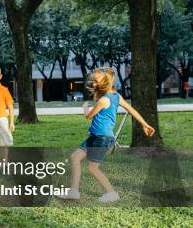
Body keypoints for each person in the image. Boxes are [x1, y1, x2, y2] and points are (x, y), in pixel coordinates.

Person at [56, 67, 156, 203]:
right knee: (75, 157)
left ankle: (112, 193)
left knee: (92, 168)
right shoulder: (116, 96)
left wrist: (85, 107)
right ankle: (74, 191)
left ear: (103, 83)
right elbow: (131, 109)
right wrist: (145, 124)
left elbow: (89, 115)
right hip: (95, 136)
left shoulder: (104, 101)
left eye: (95, 81)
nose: (93, 83)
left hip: (103, 139)